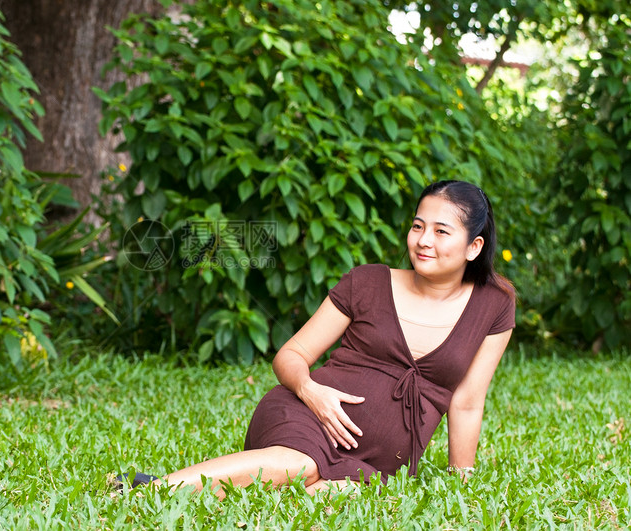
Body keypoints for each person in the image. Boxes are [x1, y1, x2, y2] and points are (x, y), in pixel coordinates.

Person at [122, 180, 516, 496]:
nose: (423, 240)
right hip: (305, 418)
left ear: (474, 246)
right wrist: (312, 392)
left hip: (380, 462)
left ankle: (164, 488)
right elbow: (290, 355)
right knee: (301, 467)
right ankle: (153, 493)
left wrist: (462, 483)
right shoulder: (368, 282)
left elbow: (465, 401)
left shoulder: (494, 303)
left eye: (441, 231)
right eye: (417, 226)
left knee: (327, 497)